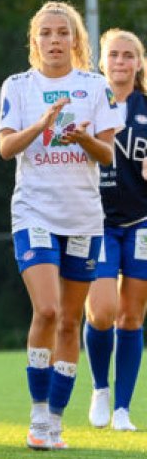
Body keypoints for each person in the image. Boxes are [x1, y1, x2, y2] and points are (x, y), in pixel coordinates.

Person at [0, 1, 123, 450]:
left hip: (83, 217)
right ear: (35, 41)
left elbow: (107, 154)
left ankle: (55, 420)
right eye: (45, 33)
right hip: (34, 212)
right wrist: (43, 125)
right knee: (47, 310)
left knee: (71, 321)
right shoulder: (18, 86)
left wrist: (82, 137)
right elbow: (7, 148)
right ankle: (35, 414)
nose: (54, 41)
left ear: (75, 40)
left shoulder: (95, 86)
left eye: (62, 33)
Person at [84, 29, 147, 430]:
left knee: (132, 316)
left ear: (139, 63)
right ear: (101, 61)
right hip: (97, 220)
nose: (121, 62)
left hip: (141, 222)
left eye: (129, 56)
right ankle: (99, 388)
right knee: (103, 311)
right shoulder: (89, 99)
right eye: (114, 55)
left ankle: (122, 407)